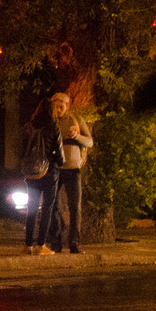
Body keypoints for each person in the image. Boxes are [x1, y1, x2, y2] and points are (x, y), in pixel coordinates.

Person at [50, 92, 93, 253]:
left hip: (73, 169)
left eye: (61, 107)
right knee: (53, 206)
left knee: (75, 207)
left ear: (67, 106)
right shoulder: (50, 121)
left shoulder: (76, 120)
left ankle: (74, 243)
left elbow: (90, 141)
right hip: (54, 169)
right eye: (56, 106)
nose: (58, 109)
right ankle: (56, 242)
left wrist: (77, 136)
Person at [21, 99, 63, 255]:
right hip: (49, 172)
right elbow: (60, 155)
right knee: (47, 209)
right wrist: (59, 162)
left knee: (31, 208)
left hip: (31, 172)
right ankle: (41, 246)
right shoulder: (53, 127)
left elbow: (23, 149)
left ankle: (27, 246)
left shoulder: (28, 126)